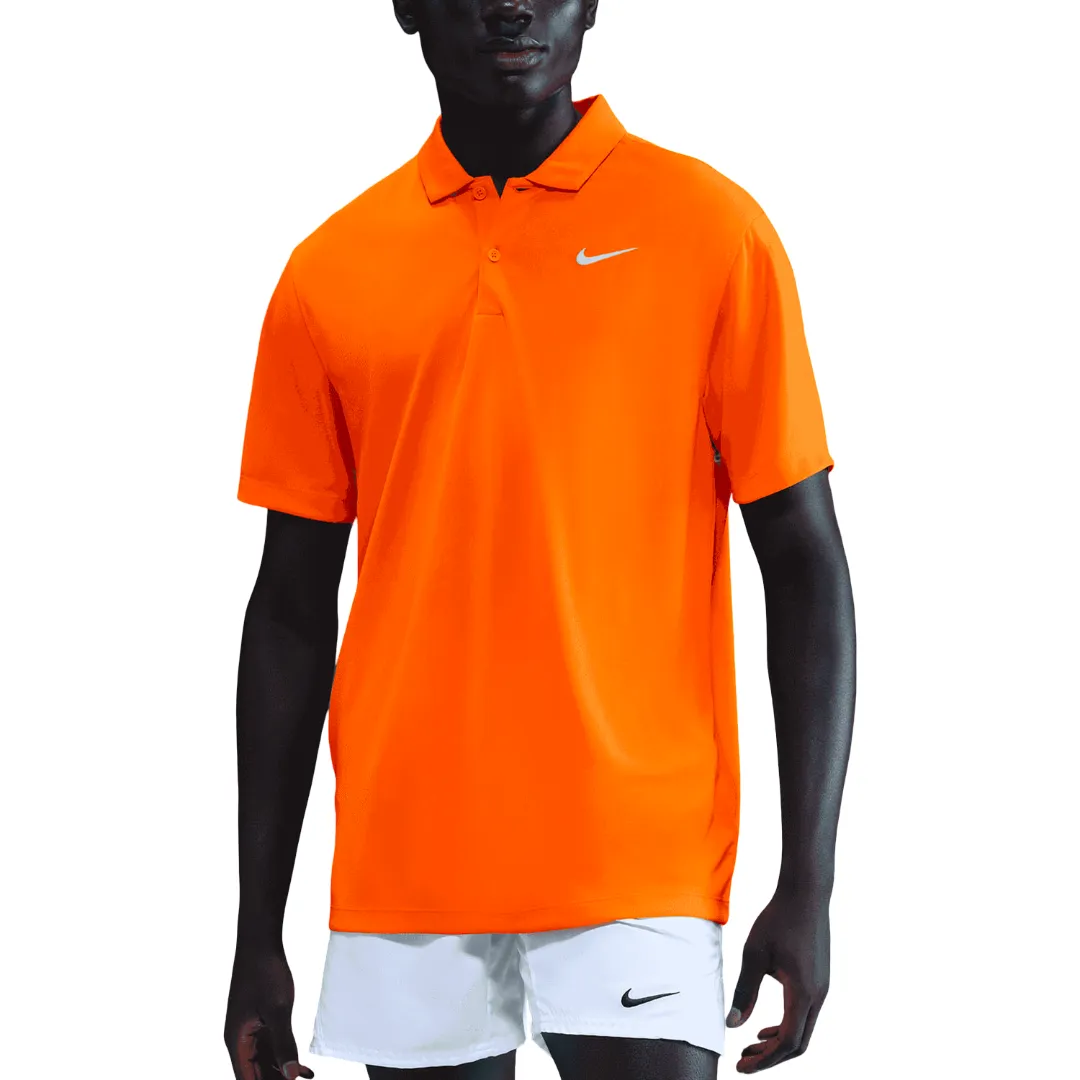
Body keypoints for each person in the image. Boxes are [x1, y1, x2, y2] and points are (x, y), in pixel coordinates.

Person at [223, 2, 856, 1078]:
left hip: (637, 858)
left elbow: (803, 559)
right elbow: (288, 611)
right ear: (408, 8)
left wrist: (809, 884)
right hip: (405, 865)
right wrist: (255, 934)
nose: (511, 4)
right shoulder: (331, 268)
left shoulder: (710, 230)